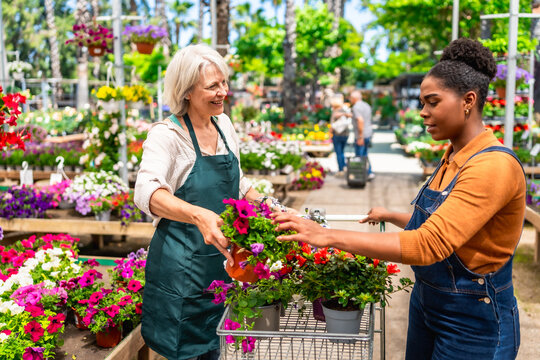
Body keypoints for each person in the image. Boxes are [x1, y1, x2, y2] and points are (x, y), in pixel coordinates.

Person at [271, 38, 525, 360]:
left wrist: (326, 236)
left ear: (468, 101)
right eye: (423, 102)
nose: (423, 112)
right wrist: (393, 215)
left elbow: (429, 245)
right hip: (428, 303)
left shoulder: (492, 166)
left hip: (473, 320)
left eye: (433, 102)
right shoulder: (453, 155)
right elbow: (450, 226)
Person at [134, 44, 275, 360]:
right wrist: (198, 215)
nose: (223, 91)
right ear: (186, 91)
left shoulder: (223, 125)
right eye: (213, 86)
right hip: (181, 269)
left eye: (224, 82)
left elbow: (238, 183)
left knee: (217, 347)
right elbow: (146, 192)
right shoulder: (167, 136)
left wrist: (271, 205)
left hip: (222, 264)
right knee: (185, 350)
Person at [350, 90, 375, 180]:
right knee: (364, 155)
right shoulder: (366, 105)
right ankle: (369, 173)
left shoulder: (356, 107)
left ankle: (360, 176)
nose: (350, 99)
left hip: (361, 135)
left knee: (359, 157)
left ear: (354, 98)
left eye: (351, 98)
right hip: (368, 133)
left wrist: (360, 137)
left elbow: (360, 120)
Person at [329, 93, 352, 175]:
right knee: (342, 152)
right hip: (345, 134)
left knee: (338, 152)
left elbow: (332, 125)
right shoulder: (345, 109)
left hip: (337, 134)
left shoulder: (335, 111)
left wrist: (329, 134)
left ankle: (341, 169)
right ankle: (344, 166)